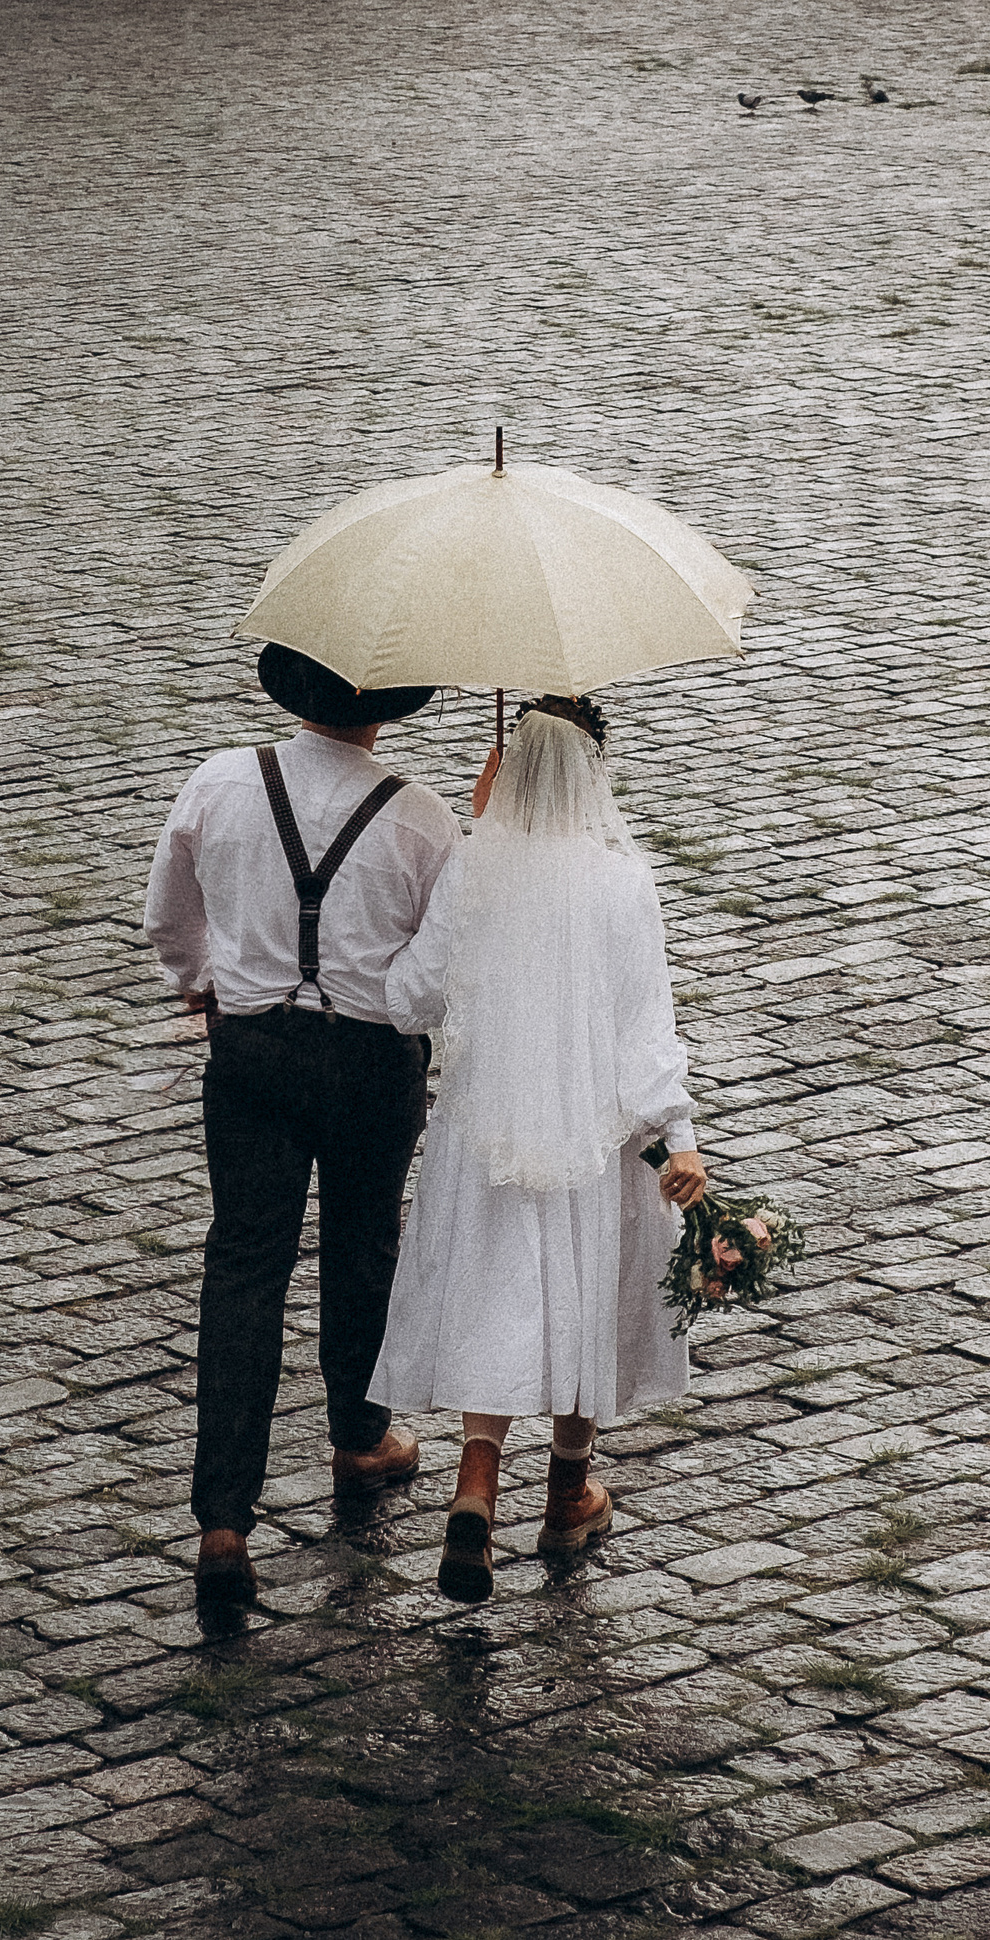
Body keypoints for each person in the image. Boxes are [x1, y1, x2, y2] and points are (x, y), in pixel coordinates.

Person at [367, 696, 707, 1603]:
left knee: (500, 1297)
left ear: (511, 767)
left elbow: (407, 1000)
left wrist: (481, 838)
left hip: (487, 1131)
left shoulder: (477, 864)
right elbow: (646, 1026)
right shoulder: (621, 879)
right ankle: (567, 1492)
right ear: (597, 772)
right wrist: (678, 1136)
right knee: (583, 1295)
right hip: (595, 1135)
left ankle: (475, 1490)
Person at [143, 644, 462, 1605]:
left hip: (252, 1054)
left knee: (244, 1264)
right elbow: (433, 981)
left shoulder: (221, 781)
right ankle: (362, 1437)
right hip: (369, 1062)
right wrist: (385, 1009)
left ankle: (225, 1519)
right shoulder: (424, 818)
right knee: (365, 1245)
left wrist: (204, 986)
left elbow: (169, 917)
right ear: (388, 708)